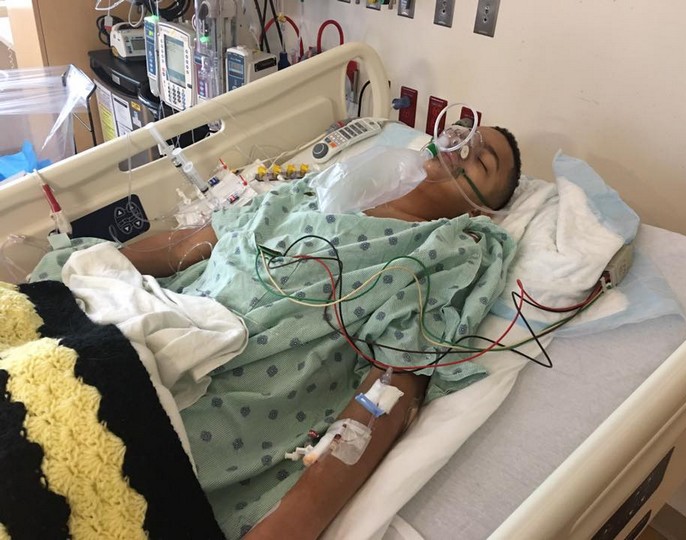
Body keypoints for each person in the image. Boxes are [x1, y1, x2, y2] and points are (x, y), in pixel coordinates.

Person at [120, 124, 521, 540]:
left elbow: (390, 387)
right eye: (461, 132)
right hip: (153, 320)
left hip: (232, 386)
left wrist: (286, 529)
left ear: (479, 211)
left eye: (482, 159)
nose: (462, 147)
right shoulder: (317, 189)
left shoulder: (442, 251)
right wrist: (99, 265)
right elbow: (184, 247)